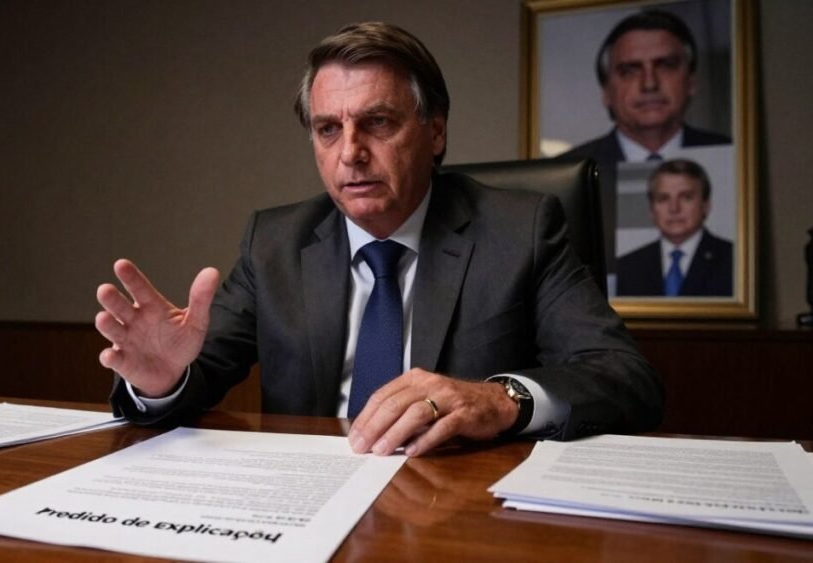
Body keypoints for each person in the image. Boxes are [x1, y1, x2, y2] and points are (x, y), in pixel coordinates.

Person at [95, 22, 663, 457]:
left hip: (461, 508)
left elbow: (625, 379)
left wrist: (500, 398)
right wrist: (164, 381)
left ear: (435, 132)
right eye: (328, 129)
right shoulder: (276, 243)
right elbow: (200, 373)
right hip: (305, 505)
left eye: (379, 123)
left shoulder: (521, 230)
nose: (350, 153)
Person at [564, 9, 730, 164]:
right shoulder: (566, 172)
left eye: (665, 65)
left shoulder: (735, 158)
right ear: (606, 92)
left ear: (691, 82)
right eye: (630, 71)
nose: (649, 84)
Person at [617, 159, 733, 297]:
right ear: (652, 209)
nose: (674, 208)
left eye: (686, 197)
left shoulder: (733, 259)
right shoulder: (628, 266)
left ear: (705, 205)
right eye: (663, 198)